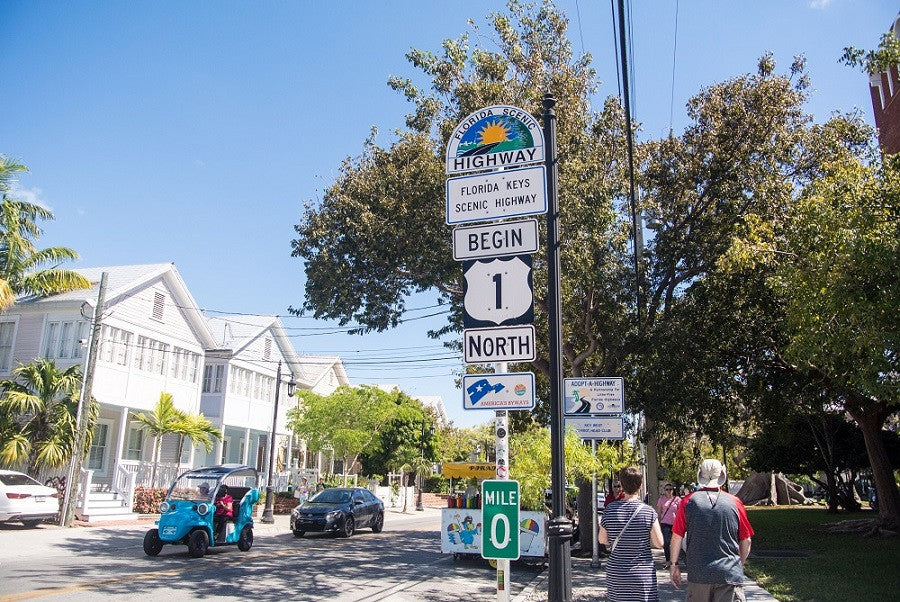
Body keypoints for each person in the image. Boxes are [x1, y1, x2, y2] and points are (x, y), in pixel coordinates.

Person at [669, 459, 754, 602]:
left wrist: (674, 565)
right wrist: (739, 564)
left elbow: (677, 537)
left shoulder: (688, 502)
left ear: (699, 474)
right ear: (722, 474)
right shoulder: (735, 503)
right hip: (728, 575)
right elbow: (746, 540)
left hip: (699, 575)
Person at [598, 466, 664, 602]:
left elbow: (602, 539)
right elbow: (659, 543)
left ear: (621, 485)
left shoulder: (610, 510)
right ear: (640, 485)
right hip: (642, 574)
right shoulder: (648, 512)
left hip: (616, 573)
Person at [657, 483, 681, 568]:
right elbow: (659, 512)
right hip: (665, 523)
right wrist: (658, 524)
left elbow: (680, 512)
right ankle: (668, 560)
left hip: (675, 523)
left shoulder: (677, 499)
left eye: (670, 489)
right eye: (667, 489)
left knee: (674, 542)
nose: (669, 491)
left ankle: (675, 561)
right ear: (664, 490)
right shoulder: (661, 499)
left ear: (673, 490)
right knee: (666, 542)